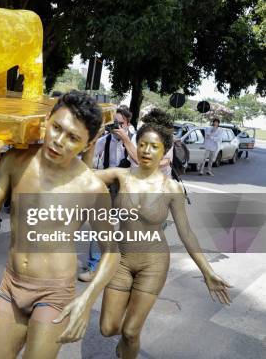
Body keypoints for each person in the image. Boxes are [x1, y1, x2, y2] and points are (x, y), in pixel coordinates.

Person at [0, 91, 119, 359]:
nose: (59, 141)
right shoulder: (16, 161)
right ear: (47, 120)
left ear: (87, 144)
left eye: (73, 138)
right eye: (57, 128)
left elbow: (112, 250)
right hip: (11, 284)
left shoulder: (91, 187)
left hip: (54, 292)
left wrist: (86, 302)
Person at [87, 109, 231, 359]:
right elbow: (83, 178)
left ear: (164, 152)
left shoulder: (171, 188)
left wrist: (208, 271)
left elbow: (187, 233)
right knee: (108, 328)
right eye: (142, 144)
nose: (146, 151)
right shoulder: (121, 175)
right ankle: (124, 344)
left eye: (154, 146)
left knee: (131, 331)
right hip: (120, 260)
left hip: (153, 264)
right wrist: (89, 142)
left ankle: (128, 347)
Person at [79, 106, 135, 283]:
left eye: (119, 123)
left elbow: (141, 162)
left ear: (127, 123)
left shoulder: (136, 139)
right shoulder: (106, 139)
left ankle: (120, 265)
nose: (116, 126)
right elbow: (87, 155)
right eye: (113, 123)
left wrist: (126, 139)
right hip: (108, 189)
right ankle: (94, 266)